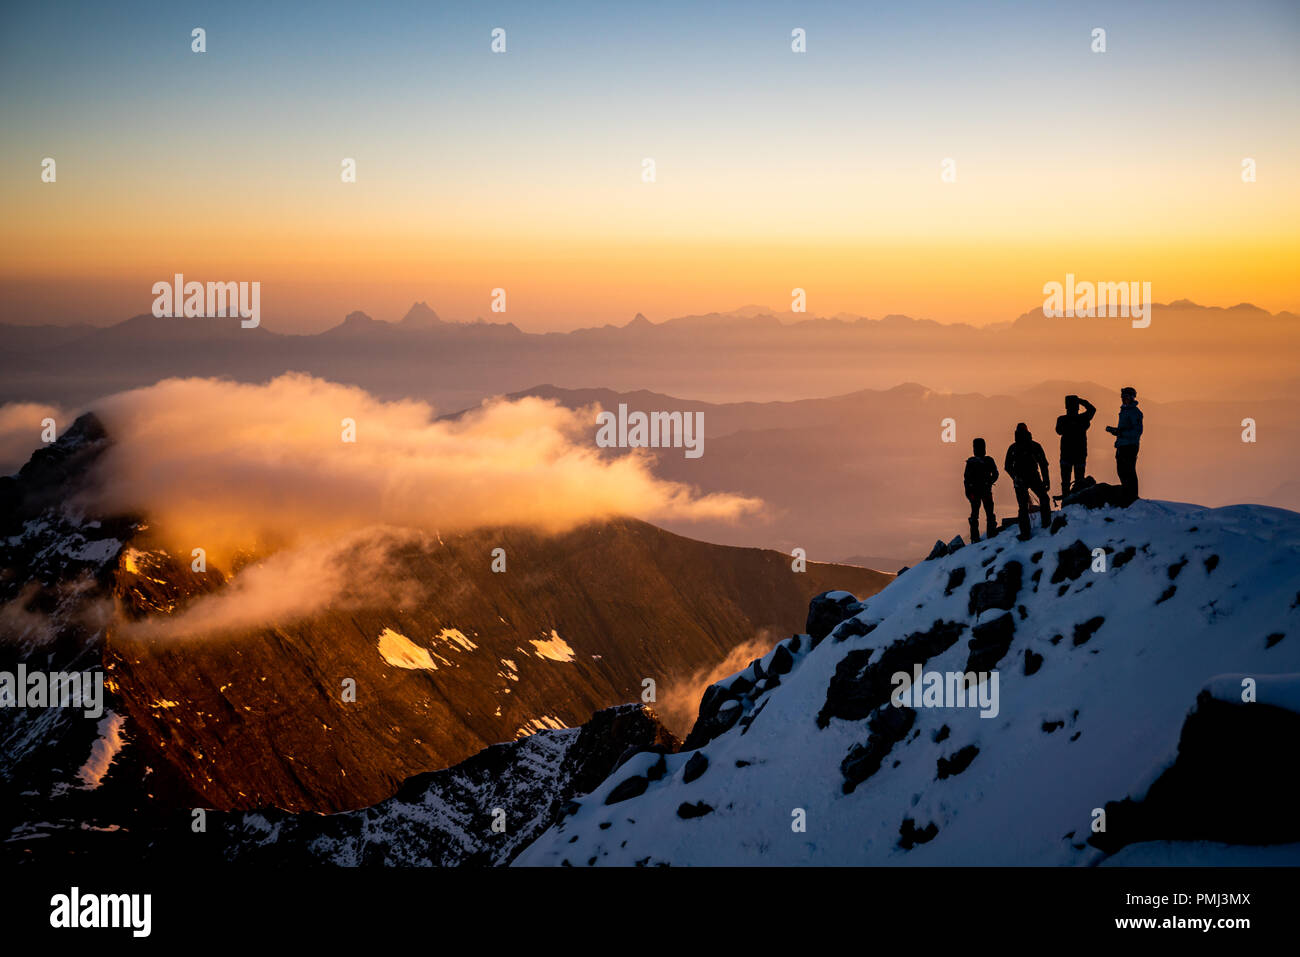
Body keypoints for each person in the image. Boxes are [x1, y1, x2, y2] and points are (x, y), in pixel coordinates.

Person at [1004, 422, 1051, 539]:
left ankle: (1025, 533)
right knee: (1043, 498)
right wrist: (1046, 480)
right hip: (1032, 477)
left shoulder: (1013, 448)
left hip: (1020, 480)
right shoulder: (1034, 446)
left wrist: (1015, 477)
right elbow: (1043, 464)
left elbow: (1007, 467)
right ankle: (1046, 526)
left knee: (1023, 506)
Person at [1105, 386, 1143, 505]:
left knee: (1129, 471)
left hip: (1130, 447)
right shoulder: (1125, 411)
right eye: (1122, 397)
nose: (1123, 399)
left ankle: (1132, 497)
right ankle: (1127, 495)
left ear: (1132, 397)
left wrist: (1120, 433)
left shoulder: (1135, 412)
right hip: (1122, 445)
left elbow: (1137, 432)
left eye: (1125, 397)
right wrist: (1115, 431)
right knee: (1122, 471)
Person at [1054, 394, 1096, 495]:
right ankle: (1078, 500)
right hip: (1079, 454)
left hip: (1066, 454)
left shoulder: (1062, 419)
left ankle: (1066, 500)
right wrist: (1080, 401)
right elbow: (1092, 409)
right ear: (1077, 407)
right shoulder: (1083, 418)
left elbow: (1058, 431)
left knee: (1066, 482)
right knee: (1079, 482)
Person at [963, 437, 999, 542]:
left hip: (977, 492)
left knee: (977, 515)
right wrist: (989, 481)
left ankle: (976, 537)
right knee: (987, 513)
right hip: (983, 491)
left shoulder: (972, 462)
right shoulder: (987, 460)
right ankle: (990, 534)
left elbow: (966, 479)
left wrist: (969, 493)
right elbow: (995, 474)